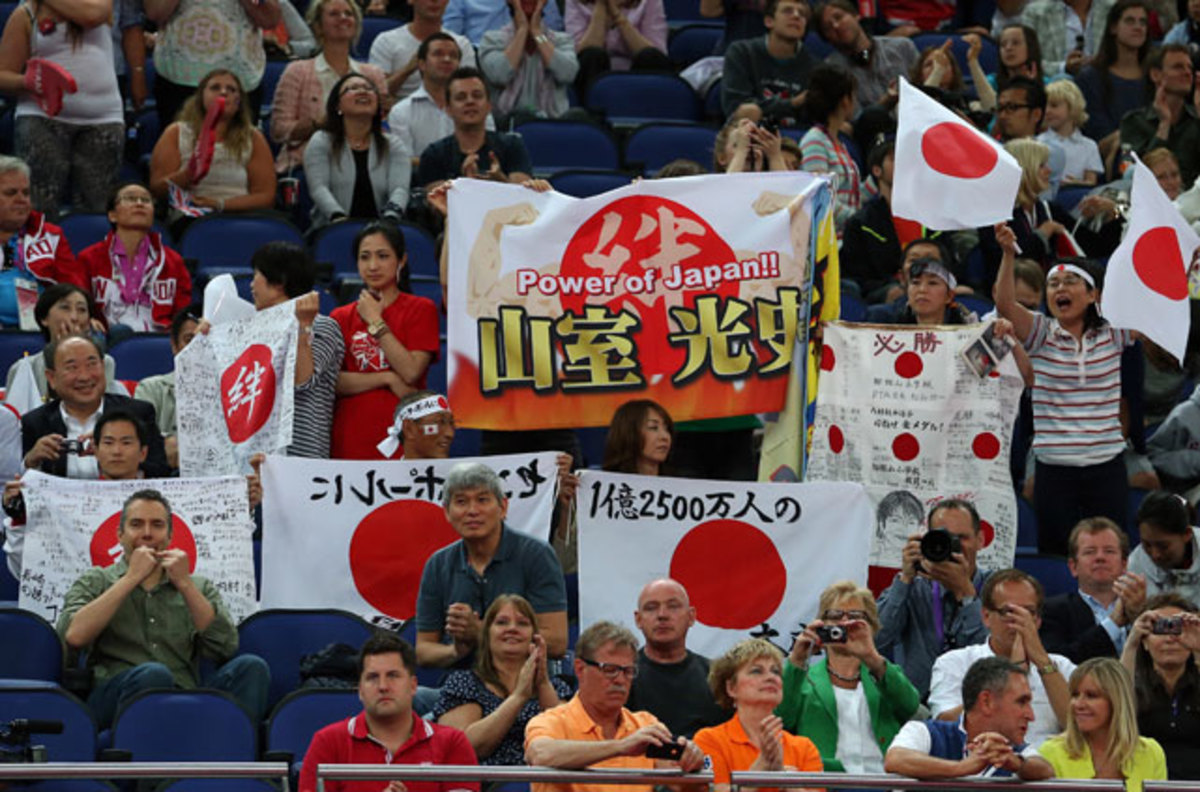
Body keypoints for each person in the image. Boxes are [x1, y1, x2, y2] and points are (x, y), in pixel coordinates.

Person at [56, 489, 270, 727]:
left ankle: (230, 744)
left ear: (169, 536)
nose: (147, 533)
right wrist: (131, 578)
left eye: (157, 525)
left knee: (252, 668)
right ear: (120, 535)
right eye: (136, 524)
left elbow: (225, 647)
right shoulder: (96, 580)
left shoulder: (198, 585)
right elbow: (73, 637)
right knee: (154, 674)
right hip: (117, 694)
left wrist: (185, 585)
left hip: (184, 692)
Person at [995, 234, 1132, 555]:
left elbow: (1157, 305)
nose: (1060, 289)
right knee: (1057, 554)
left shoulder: (1114, 331)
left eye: (1070, 282)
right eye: (1053, 284)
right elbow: (1005, 305)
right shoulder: (1041, 333)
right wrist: (1008, 254)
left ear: (1093, 294)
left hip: (1107, 465)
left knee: (1110, 552)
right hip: (1054, 469)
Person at [415, 462, 567, 667]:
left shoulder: (536, 555)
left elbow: (556, 642)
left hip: (525, 677)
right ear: (447, 513)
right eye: (461, 502)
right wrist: (456, 651)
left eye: (482, 500)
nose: (472, 511)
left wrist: (481, 632)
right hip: (461, 679)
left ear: (503, 507)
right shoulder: (438, 564)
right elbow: (423, 651)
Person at [524, 620, 706, 792]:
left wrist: (690, 763)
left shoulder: (645, 725)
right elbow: (541, 754)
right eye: (609, 670)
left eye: (628, 671)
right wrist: (622, 746)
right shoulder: (551, 721)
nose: (620, 680)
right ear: (580, 669)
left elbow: (680, 786)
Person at [300, 632, 480, 792]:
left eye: (393, 676)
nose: (383, 686)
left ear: (413, 686)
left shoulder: (453, 743)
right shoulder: (327, 742)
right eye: (373, 677)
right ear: (360, 690)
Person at [0, 0, 124, 219]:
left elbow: (91, 16)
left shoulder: (97, 3)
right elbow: (3, 74)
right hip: (41, 119)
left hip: (103, 118)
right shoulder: (26, 13)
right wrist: (28, 82)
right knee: (38, 207)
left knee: (97, 206)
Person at [779, 580, 920, 772]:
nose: (844, 623)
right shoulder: (801, 680)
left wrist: (871, 656)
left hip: (883, 778)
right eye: (835, 615)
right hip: (827, 781)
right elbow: (781, 719)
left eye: (855, 617)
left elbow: (910, 705)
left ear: (871, 626)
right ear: (821, 625)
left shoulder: (883, 674)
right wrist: (797, 660)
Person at [929, 569, 1076, 748]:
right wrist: (1009, 677)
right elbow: (945, 723)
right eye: (1008, 612)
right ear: (986, 616)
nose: (1019, 622)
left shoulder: (1061, 666)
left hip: (1049, 762)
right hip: (983, 758)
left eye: (1028, 612)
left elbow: (1078, 727)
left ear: (1037, 620)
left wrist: (1042, 662)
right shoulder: (955, 663)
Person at [330, 222, 438, 459]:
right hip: (350, 434)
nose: (373, 266)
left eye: (383, 256)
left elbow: (411, 371)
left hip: (406, 435)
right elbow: (332, 380)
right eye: (364, 257)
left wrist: (375, 322)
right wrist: (387, 378)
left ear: (402, 260)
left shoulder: (421, 309)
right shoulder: (340, 316)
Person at [876, 498, 993, 700]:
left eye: (961, 538)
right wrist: (905, 578)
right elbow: (877, 640)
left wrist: (966, 593)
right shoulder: (912, 586)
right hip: (915, 706)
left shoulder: (997, 588)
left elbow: (997, 654)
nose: (953, 546)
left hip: (977, 703)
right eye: (943, 538)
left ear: (980, 540)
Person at [433, 594, 570, 764]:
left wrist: (542, 684)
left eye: (522, 623)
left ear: (534, 637)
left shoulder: (556, 687)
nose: (512, 628)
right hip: (485, 778)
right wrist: (518, 697)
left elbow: (568, 742)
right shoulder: (464, 683)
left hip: (542, 778)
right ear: (487, 634)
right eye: (502, 622)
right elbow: (463, 748)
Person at [21, 335, 169, 479]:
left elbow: (160, 472)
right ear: (52, 378)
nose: (84, 376)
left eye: (92, 364)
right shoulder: (35, 422)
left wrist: (119, 460)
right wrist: (31, 462)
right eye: (72, 367)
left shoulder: (137, 414)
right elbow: (21, 484)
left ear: (103, 367)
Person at [884, 656, 1056, 779]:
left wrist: (1017, 764)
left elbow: (1045, 770)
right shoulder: (925, 731)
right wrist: (961, 768)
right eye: (1021, 702)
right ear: (986, 701)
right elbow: (895, 759)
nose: (1031, 716)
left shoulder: (1015, 752)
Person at [270, 0, 389, 174]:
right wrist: (320, 123)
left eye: (348, 14)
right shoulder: (297, 71)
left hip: (365, 163)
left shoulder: (373, 74)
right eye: (334, 14)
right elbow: (279, 131)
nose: (343, 18)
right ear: (318, 27)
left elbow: (383, 128)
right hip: (307, 163)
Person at [249, 241, 344, 459]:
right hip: (256, 455)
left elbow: (302, 381)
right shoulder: (252, 332)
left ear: (279, 281)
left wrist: (303, 327)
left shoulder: (323, 326)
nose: (252, 285)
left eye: (256, 275)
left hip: (303, 457)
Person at [148, 69, 276, 226]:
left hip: (242, 216)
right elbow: (157, 189)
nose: (223, 92)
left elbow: (265, 196)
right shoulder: (176, 132)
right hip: (191, 216)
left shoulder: (253, 137)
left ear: (239, 102)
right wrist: (188, 175)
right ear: (201, 97)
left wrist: (219, 204)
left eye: (231, 89)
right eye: (215, 87)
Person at [693, 638, 823, 790]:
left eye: (776, 671)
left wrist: (783, 778)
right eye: (756, 671)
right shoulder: (709, 740)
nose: (771, 677)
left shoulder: (804, 747)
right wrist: (761, 768)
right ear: (731, 688)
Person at [71, 181, 192, 333]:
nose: (139, 203)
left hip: (159, 339)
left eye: (146, 200)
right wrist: (88, 320)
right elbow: (77, 304)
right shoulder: (89, 258)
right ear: (112, 215)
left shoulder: (173, 261)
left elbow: (183, 314)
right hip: (107, 337)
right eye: (130, 198)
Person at [1039, 657, 1167, 791]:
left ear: (1117, 701)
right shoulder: (1051, 753)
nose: (1078, 704)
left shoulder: (1151, 752)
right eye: (1075, 695)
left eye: (1091, 695)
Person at [304, 74, 411, 228]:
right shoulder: (322, 141)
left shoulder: (393, 144)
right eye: (353, 88)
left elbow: (399, 189)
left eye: (369, 89)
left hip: (384, 230)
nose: (363, 91)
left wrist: (389, 220)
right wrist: (338, 217)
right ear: (337, 106)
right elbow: (319, 188)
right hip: (332, 229)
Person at [626, 579, 727, 738]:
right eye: (651, 608)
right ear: (638, 619)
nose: (662, 615)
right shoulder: (621, 675)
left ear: (691, 616)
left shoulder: (717, 677)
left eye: (673, 606)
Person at [413, 67, 534, 195]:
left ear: (489, 105)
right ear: (448, 108)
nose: (470, 101)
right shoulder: (434, 155)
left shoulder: (512, 145)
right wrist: (465, 183)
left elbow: (524, 197)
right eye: (461, 97)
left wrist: (500, 182)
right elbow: (437, 203)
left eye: (477, 96)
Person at [1040, 518, 1146, 663]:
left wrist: (1139, 616)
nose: (1100, 557)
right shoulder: (1051, 611)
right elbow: (1057, 662)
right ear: (1073, 567)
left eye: (1109, 551)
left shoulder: (1146, 609)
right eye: (1090, 552)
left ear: (1124, 564)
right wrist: (1112, 624)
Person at [1121, 592, 1200, 779]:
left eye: (1177, 628)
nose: (1169, 638)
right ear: (1145, 643)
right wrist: (1131, 644)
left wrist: (1199, 649)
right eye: (1160, 628)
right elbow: (1117, 708)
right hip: (1142, 782)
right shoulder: (1133, 683)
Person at [388, 33, 497, 166]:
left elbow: (490, 153)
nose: (447, 59)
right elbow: (404, 161)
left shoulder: (477, 107)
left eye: (453, 56)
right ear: (421, 64)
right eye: (438, 54)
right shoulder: (402, 111)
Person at [4, 283, 125, 403]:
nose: (74, 317)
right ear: (44, 318)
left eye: (82, 310)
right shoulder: (26, 368)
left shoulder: (105, 363)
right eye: (65, 308)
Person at [0, 156, 76, 328]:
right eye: (11, 193)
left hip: (44, 327)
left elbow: (72, 286)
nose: (21, 199)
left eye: (26, 193)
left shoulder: (50, 235)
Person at [477, 0, 579, 124]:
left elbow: (567, 74)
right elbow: (500, 75)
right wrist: (522, 31)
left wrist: (537, 32)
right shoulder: (491, 40)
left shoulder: (562, 41)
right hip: (507, 124)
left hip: (553, 123)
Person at [719, 0, 816, 126]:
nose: (796, 16)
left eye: (802, 14)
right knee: (749, 110)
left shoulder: (814, 66)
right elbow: (736, 106)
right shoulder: (742, 52)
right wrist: (792, 104)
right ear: (769, 21)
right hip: (749, 131)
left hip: (795, 135)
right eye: (788, 11)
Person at [811, 0, 917, 112]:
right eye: (828, 28)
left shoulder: (902, 47)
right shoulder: (832, 71)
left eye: (839, 17)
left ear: (856, 16)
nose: (836, 26)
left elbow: (924, 89)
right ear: (826, 39)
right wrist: (886, 102)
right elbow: (853, 118)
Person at [1118, 43, 1200, 187]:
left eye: (1190, 67)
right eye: (1178, 67)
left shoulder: (1196, 120)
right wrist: (1164, 125)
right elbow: (1133, 174)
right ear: (1156, 75)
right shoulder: (1133, 122)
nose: (1188, 73)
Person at [799, 64, 865, 236]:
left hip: (848, 237)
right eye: (853, 96)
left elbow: (853, 196)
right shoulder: (814, 141)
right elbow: (819, 197)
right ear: (845, 100)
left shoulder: (840, 143)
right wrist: (860, 220)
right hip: (827, 242)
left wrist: (879, 179)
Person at [1075, 0, 1151, 151]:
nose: (1138, 27)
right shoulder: (1090, 79)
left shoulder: (1155, 77)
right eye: (1130, 21)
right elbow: (1095, 137)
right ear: (1113, 27)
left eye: (1143, 22)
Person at [369, 0, 476, 101]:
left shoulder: (461, 44)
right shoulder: (386, 41)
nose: (434, 1)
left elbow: (471, 90)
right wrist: (407, 70)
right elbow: (376, 93)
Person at [564, 0, 669, 104]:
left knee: (650, 56)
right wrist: (601, 9)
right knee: (591, 55)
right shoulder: (575, 2)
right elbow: (576, 55)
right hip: (593, 72)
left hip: (636, 71)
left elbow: (657, 54)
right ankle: (590, 110)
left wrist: (619, 18)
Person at [134, 309, 199, 471]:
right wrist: (164, 441)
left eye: (206, 341)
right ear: (174, 346)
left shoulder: (231, 392)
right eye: (189, 340)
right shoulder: (150, 388)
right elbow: (137, 437)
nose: (198, 348)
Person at [1128, 491, 1200, 604]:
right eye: (1147, 545)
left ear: (1187, 534)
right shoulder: (1136, 563)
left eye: (1163, 546)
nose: (1155, 554)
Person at [1019, 0, 1118, 76]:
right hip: (1054, 87)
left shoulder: (1113, 8)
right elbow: (1026, 61)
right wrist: (1064, 67)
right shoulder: (1035, 13)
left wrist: (1100, 63)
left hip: (1106, 82)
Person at [1038, 80, 1103, 186]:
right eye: (1045, 106)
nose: (1047, 111)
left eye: (1054, 106)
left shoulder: (1089, 146)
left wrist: (1076, 183)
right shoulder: (1038, 143)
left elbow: (1091, 182)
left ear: (1073, 107)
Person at [376, 389, 456, 460]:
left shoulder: (459, 473)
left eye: (451, 423)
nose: (450, 434)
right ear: (409, 429)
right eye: (439, 422)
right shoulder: (387, 472)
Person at [601, 399, 672, 476]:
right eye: (653, 427)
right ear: (629, 432)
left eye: (666, 429)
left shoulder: (677, 480)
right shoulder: (607, 480)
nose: (665, 436)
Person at [989, 23, 1044, 93]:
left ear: (1030, 47)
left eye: (1015, 43)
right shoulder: (991, 83)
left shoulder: (1048, 84)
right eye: (1003, 44)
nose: (1008, 48)